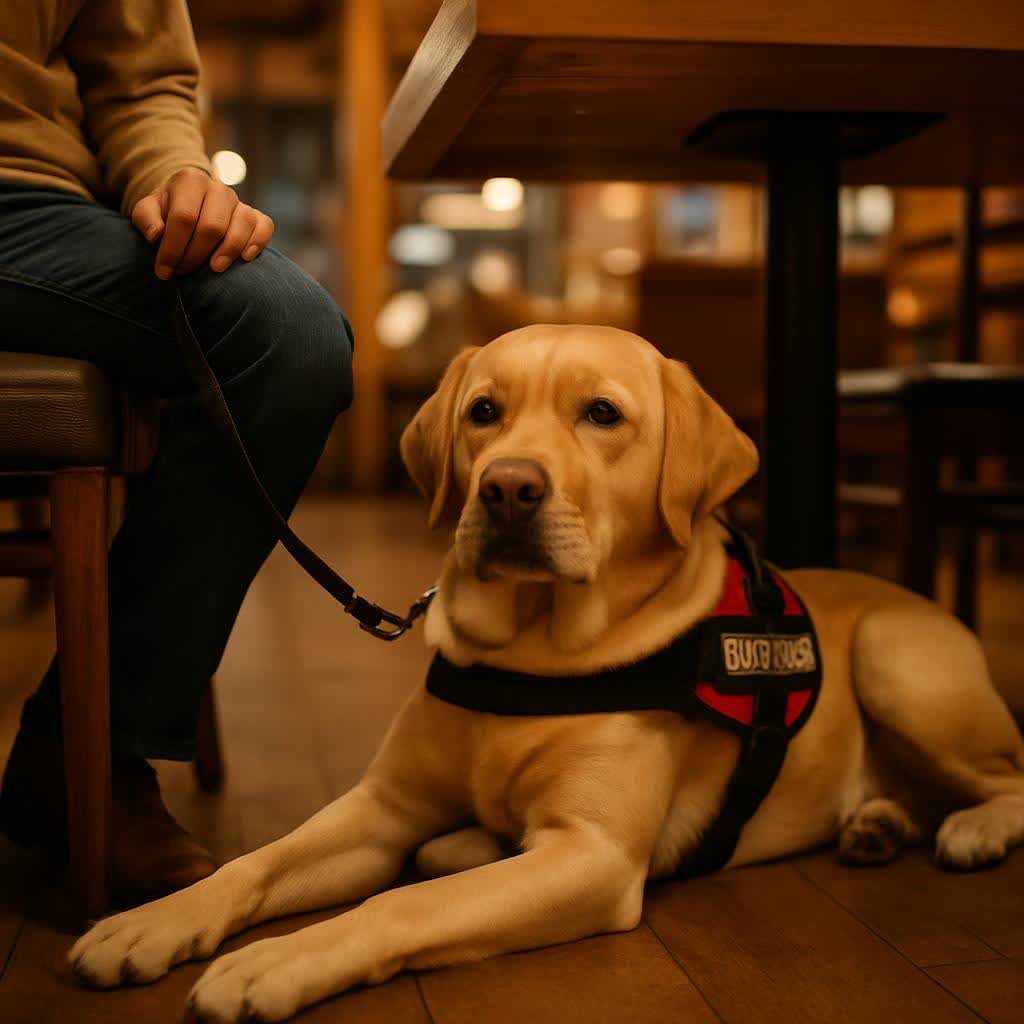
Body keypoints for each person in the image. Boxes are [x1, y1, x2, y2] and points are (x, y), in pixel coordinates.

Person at [0, 1, 354, 904]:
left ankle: (84, 750)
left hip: (29, 203)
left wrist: (176, 175)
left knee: (289, 335)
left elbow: (142, 77)